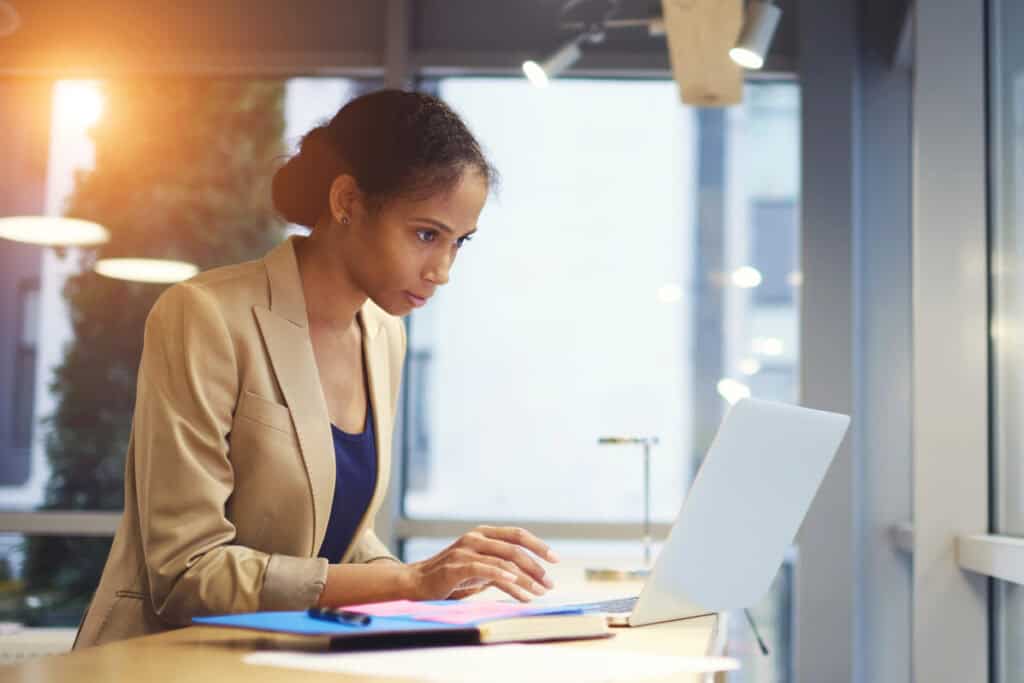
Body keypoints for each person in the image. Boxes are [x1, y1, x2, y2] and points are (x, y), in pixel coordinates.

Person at [74, 89, 559, 649]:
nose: (442, 271)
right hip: (170, 660)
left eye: (459, 242)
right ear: (347, 200)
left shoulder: (384, 335)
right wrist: (409, 581)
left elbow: (339, 548)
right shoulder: (205, 314)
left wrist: (438, 581)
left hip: (296, 659)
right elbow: (187, 574)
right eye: (426, 235)